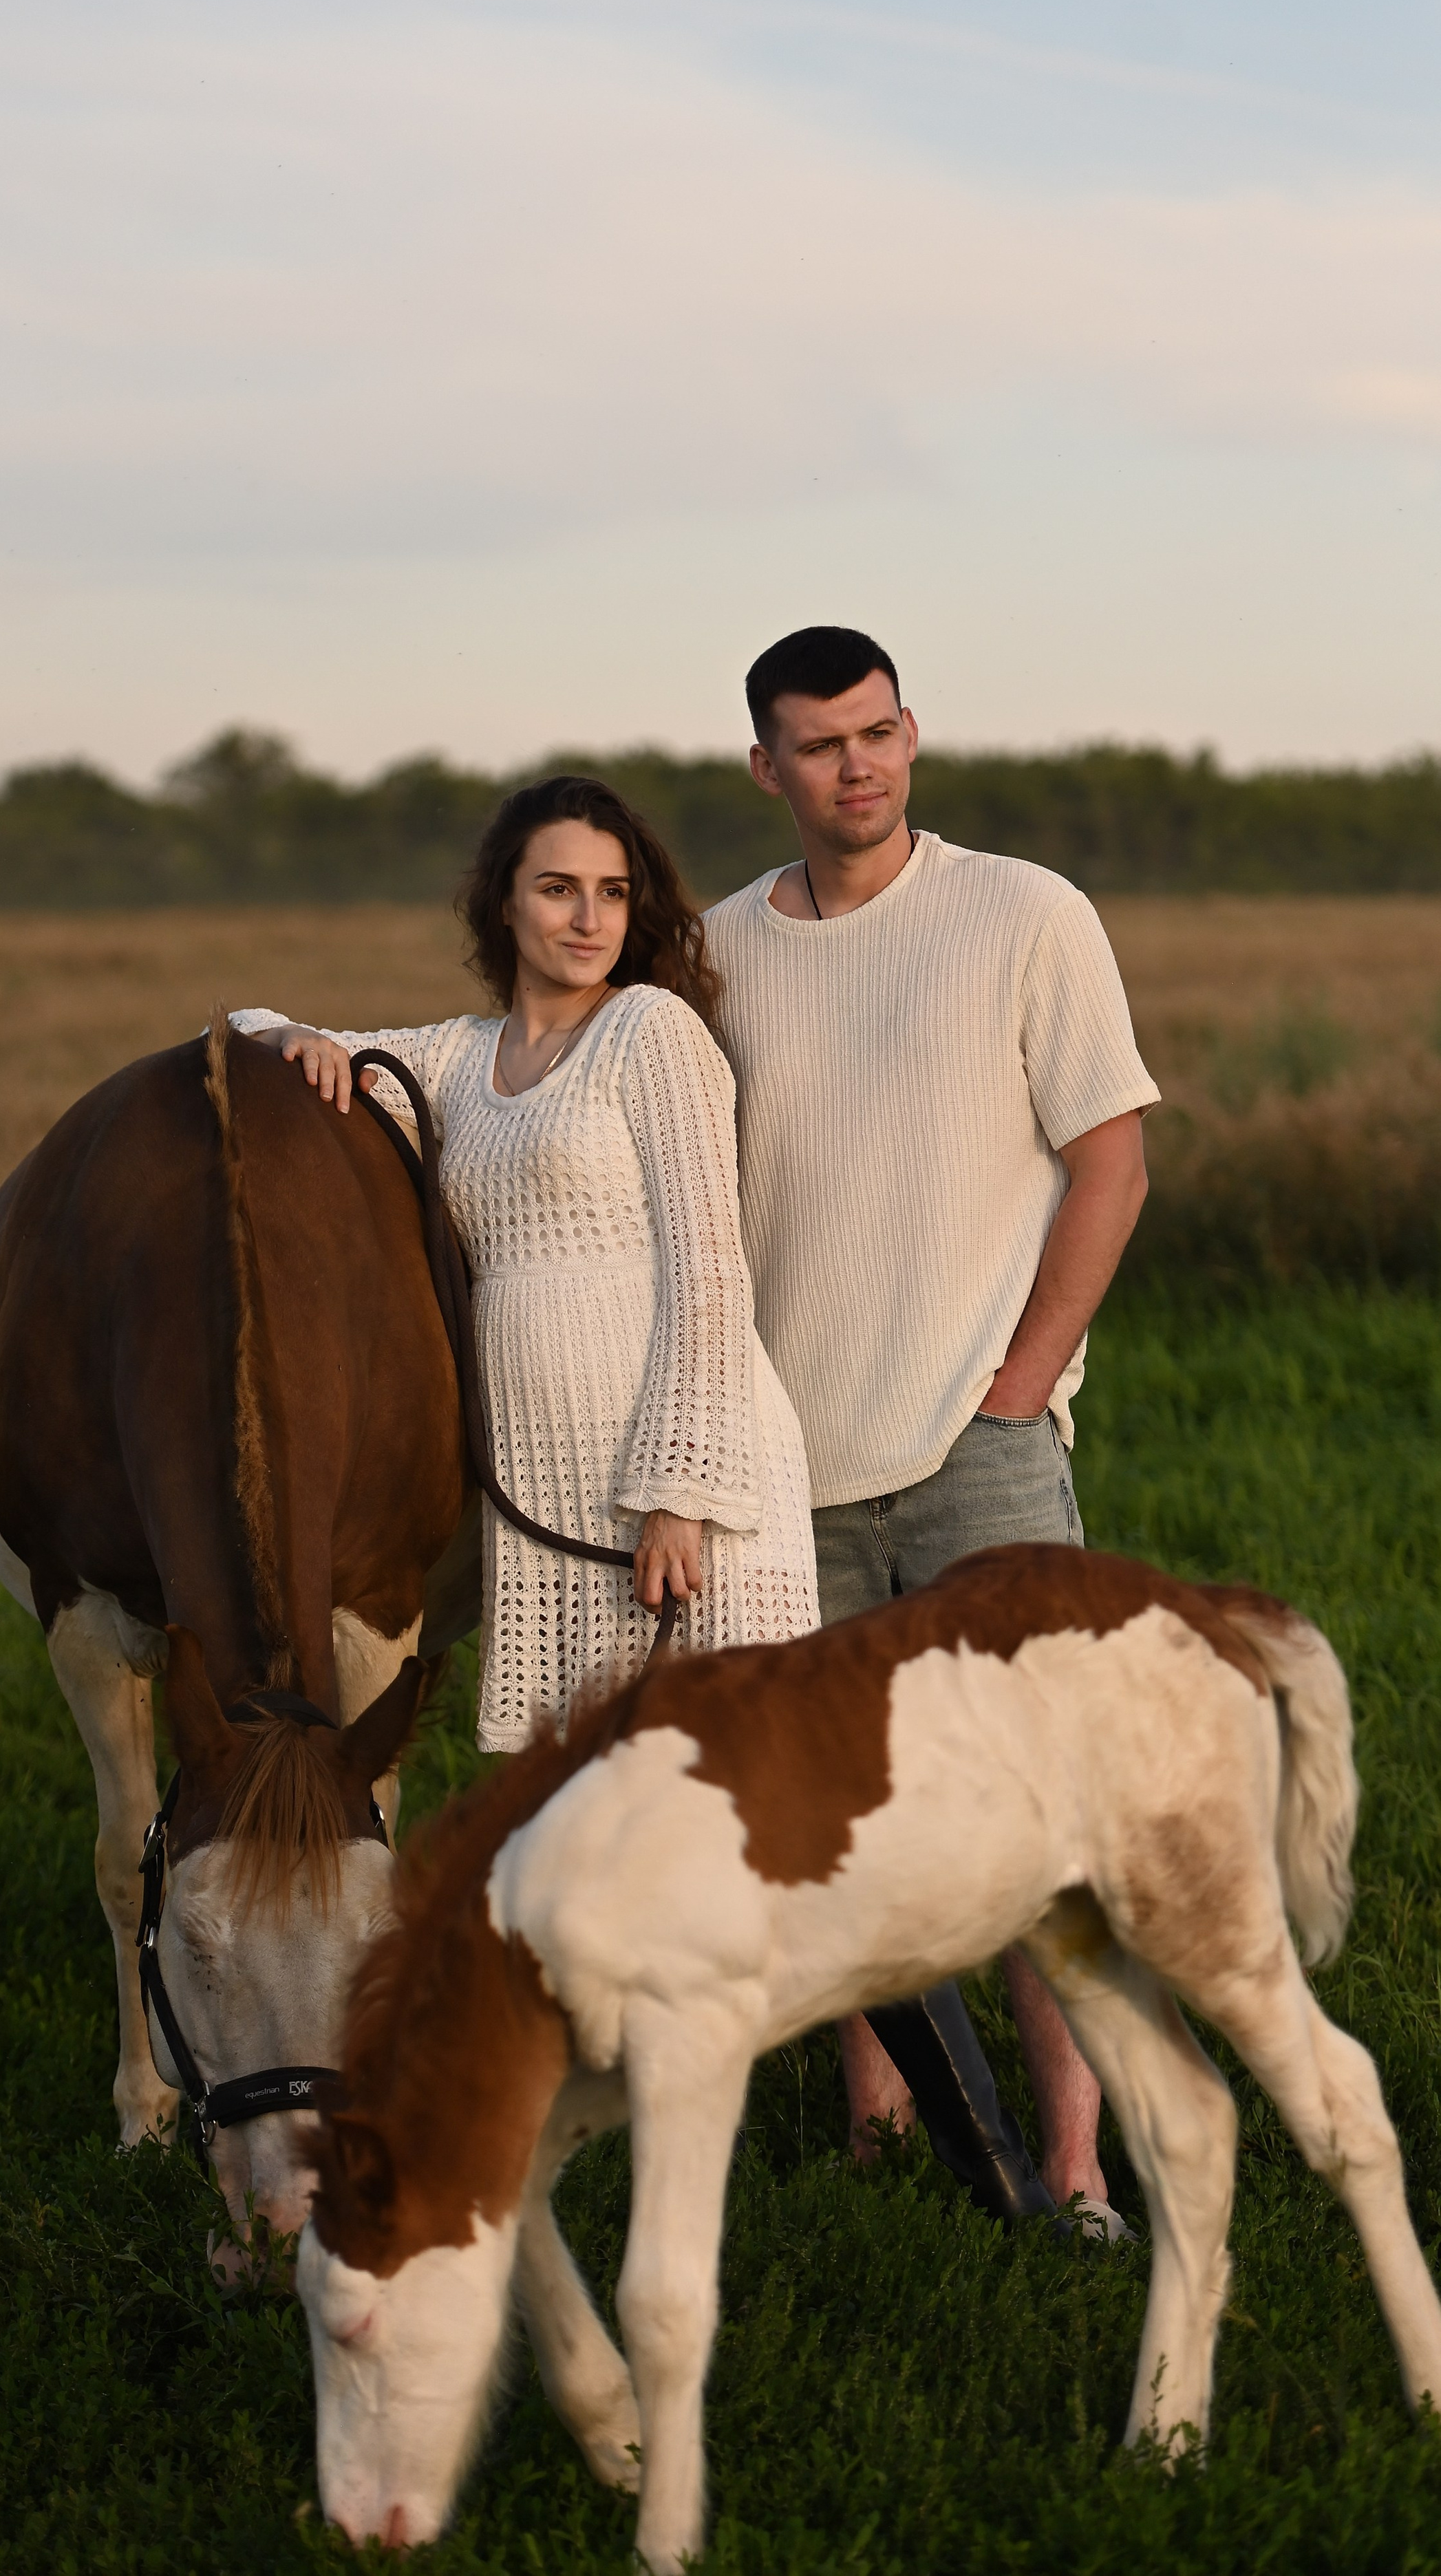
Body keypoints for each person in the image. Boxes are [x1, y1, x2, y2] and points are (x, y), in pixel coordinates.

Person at [705, 623, 1160, 2233]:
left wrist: (1023, 1378)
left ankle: (1072, 2164)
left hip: (981, 1444)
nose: (858, 764)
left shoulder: (1022, 913)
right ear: (765, 767)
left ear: (912, 733)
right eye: (821, 743)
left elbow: (1108, 1158)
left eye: (880, 730)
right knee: (835, 1832)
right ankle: (886, 2127)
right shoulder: (712, 952)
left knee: (1039, 1828)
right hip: (787, 1471)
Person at [233, 772, 818, 1750]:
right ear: (504, 900)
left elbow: (711, 1272)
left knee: (718, 1792)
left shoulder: (650, 1032)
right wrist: (295, 1035)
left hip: (678, 1488)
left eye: (614, 891)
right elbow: (245, 1032)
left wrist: (679, 1496)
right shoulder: (458, 1060)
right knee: (580, 1803)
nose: (590, 917)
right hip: (550, 1494)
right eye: (559, 888)